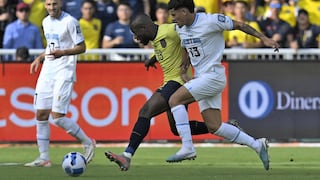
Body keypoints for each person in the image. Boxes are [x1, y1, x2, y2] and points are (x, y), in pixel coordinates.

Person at [166, 0, 279, 170]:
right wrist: (183, 68)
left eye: (174, 14)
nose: (172, 18)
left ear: (184, 11)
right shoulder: (181, 28)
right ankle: (257, 145)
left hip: (213, 76)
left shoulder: (210, 20)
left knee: (175, 100)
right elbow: (186, 47)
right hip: (201, 77)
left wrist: (264, 38)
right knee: (214, 127)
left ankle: (187, 147)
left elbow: (240, 25)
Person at [104, 13, 211, 171]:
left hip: (178, 82)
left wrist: (185, 64)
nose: (136, 38)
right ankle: (222, 127)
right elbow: (167, 48)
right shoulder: (155, 37)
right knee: (176, 129)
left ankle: (127, 156)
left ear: (144, 27)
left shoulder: (170, 30)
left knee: (146, 111)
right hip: (171, 82)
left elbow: (189, 36)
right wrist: (153, 59)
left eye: (136, 33)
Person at [24, 0, 95, 167]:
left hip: (64, 72)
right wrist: (40, 57)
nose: (51, 7)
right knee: (41, 114)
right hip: (48, 71)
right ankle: (44, 158)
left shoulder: (70, 21)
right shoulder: (45, 21)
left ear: (61, 4)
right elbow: (51, 45)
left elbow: (82, 47)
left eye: (54, 4)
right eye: (48, 4)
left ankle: (87, 142)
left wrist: (63, 53)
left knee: (57, 117)